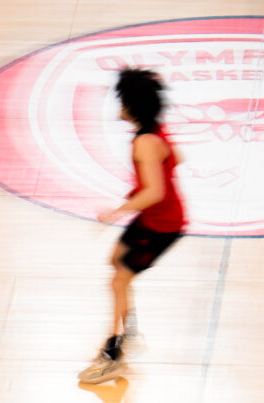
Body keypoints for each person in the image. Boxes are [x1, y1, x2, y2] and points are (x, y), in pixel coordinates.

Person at [78, 68, 186, 385]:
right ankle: (131, 333)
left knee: (119, 280)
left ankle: (114, 353)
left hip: (162, 226)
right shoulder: (155, 132)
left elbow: (155, 193)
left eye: (121, 100)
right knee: (116, 261)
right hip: (153, 218)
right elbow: (176, 158)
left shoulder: (144, 143)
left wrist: (117, 212)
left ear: (130, 105)